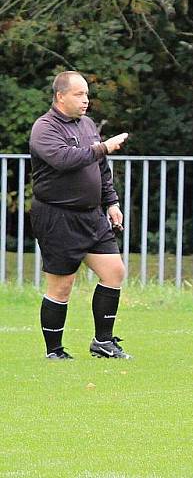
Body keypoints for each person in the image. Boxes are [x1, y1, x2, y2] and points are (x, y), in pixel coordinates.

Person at [29, 71, 132, 360]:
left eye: (87, 94)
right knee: (61, 286)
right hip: (56, 216)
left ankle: (103, 342)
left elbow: (100, 168)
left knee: (114, 272)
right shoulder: (44, 128)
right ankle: (54, 351)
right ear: (60, 96)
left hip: (92, 216)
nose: (86, 100)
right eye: (79, 94)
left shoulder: (87, 125)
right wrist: (104, 147)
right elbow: (64, 160)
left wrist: (111, 202)